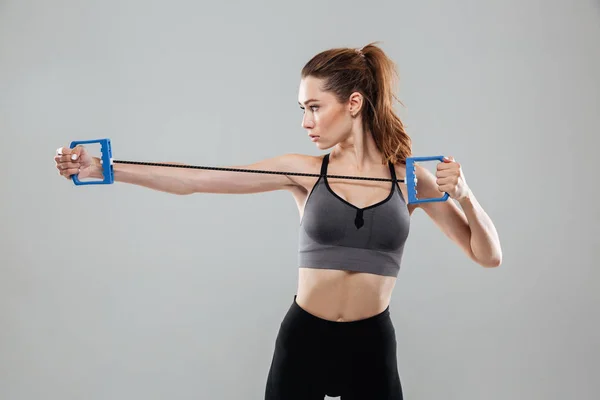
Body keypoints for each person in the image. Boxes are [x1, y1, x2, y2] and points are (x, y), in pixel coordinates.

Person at [54, 42, 502, 399]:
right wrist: (104, 169)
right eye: (301, 109)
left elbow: (488, 256)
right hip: (305, 339)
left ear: (353, 103)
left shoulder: (409, 177)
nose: (306, 121)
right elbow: (199, 180)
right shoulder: (304, 170)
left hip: (371, 345)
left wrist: (465, 195)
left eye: (314, 106)